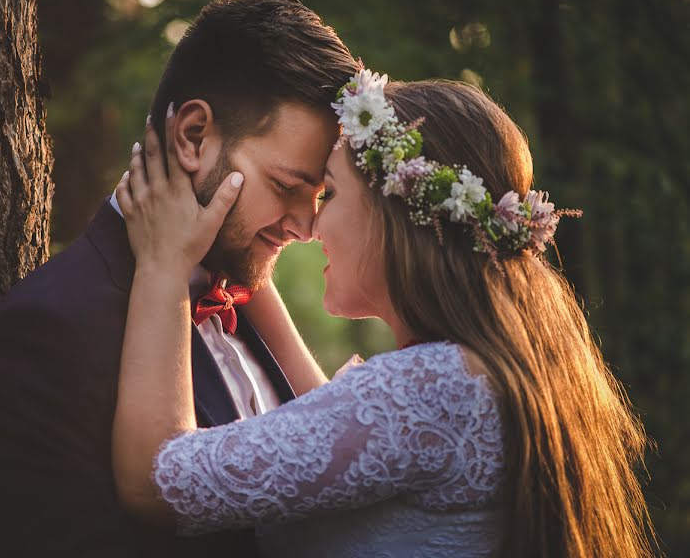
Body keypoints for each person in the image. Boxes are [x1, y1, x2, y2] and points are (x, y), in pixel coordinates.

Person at [112, 73, 656, 557]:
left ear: (391, 215)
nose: (311, 227)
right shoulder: (474, 374)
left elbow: (155, 483)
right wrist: (245, 247)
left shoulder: (432, 390)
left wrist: (163, 265)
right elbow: (320, 423)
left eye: (331, 193)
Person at [0, 0, 358, 557]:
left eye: (317, 198)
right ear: (193, 136)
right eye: (286, 188)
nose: (304, 227)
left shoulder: (244, 291)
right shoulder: (51, 332)